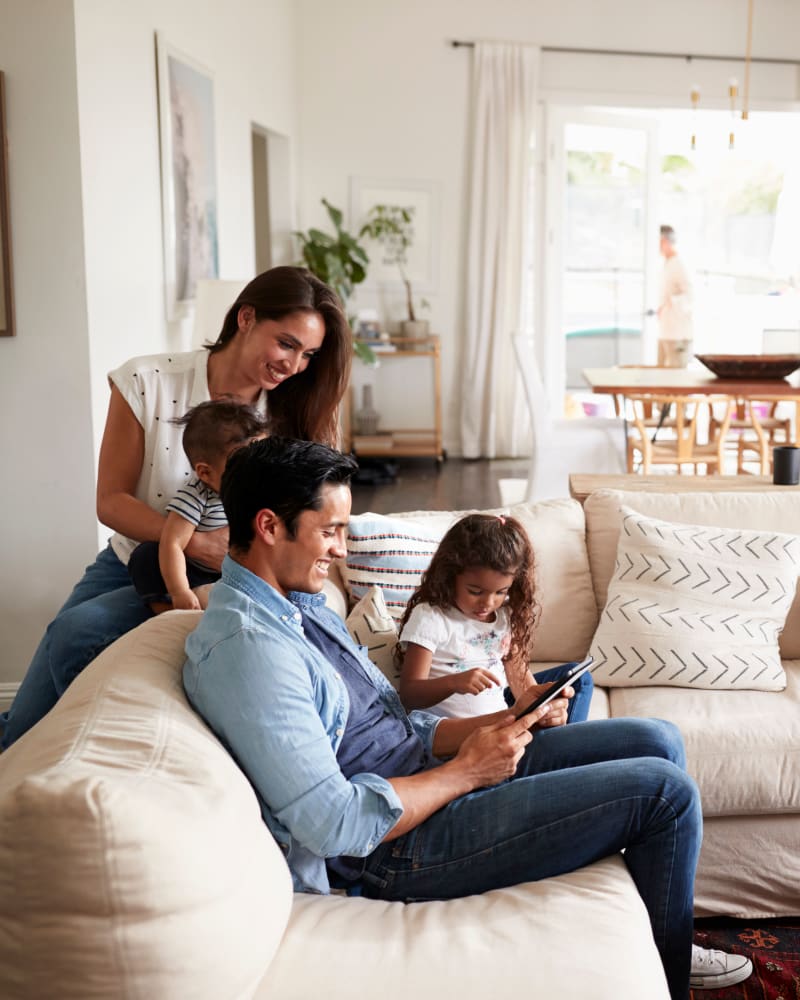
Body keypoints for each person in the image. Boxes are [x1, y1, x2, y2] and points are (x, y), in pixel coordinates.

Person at [182, 437, 753, 999]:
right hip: (393, 846)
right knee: (664, 793)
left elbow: (394, 722)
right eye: (328, 531)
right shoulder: (250, 650)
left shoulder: (297, 607)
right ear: (268, 526)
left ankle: (661, 928)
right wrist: (467, 772)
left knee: (656, 738)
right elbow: (334, 826)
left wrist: (490, 728)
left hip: (430, 774)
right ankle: (672, 968)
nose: (339, 550)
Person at [0, 266, 351, 750]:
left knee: (77, 635)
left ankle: (71, 758)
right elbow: (111, 501)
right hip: (134, 556)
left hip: (226, 577)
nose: (294, 365)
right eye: (286, 344)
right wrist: (195, 541)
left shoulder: (291, 414)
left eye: (308, 354)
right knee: (31, 709)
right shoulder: (148, 380)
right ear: (246, 318)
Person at [396, 513, 593, 722]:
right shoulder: (431, 617)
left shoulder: (503, 616)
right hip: (465, 734)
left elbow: (521, 682)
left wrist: (541, 711)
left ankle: (562, 740)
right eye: (475, 591)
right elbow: (409, 694)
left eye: (501, 592)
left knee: (578, 678)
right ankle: (566, 746)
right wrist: (454, 682)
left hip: (504, 720)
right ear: (450, 575)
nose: (488, 603)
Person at [127, 399, 267, 613]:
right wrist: (179, 590)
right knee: (147, 555)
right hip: (197, 573)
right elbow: (172, 543)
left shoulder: (261, 490)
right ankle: (167, 610)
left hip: (240, 572)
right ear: (205, 473)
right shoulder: (197, 496)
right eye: (243, 465)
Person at [658, 224, 694, 368]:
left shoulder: (679, 264)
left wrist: (670, 304)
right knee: (661, 376)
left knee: (676, 376)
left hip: (678, 332)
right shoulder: (666, 264)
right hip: (666, 331)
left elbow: (690, 295)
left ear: (664, 242)